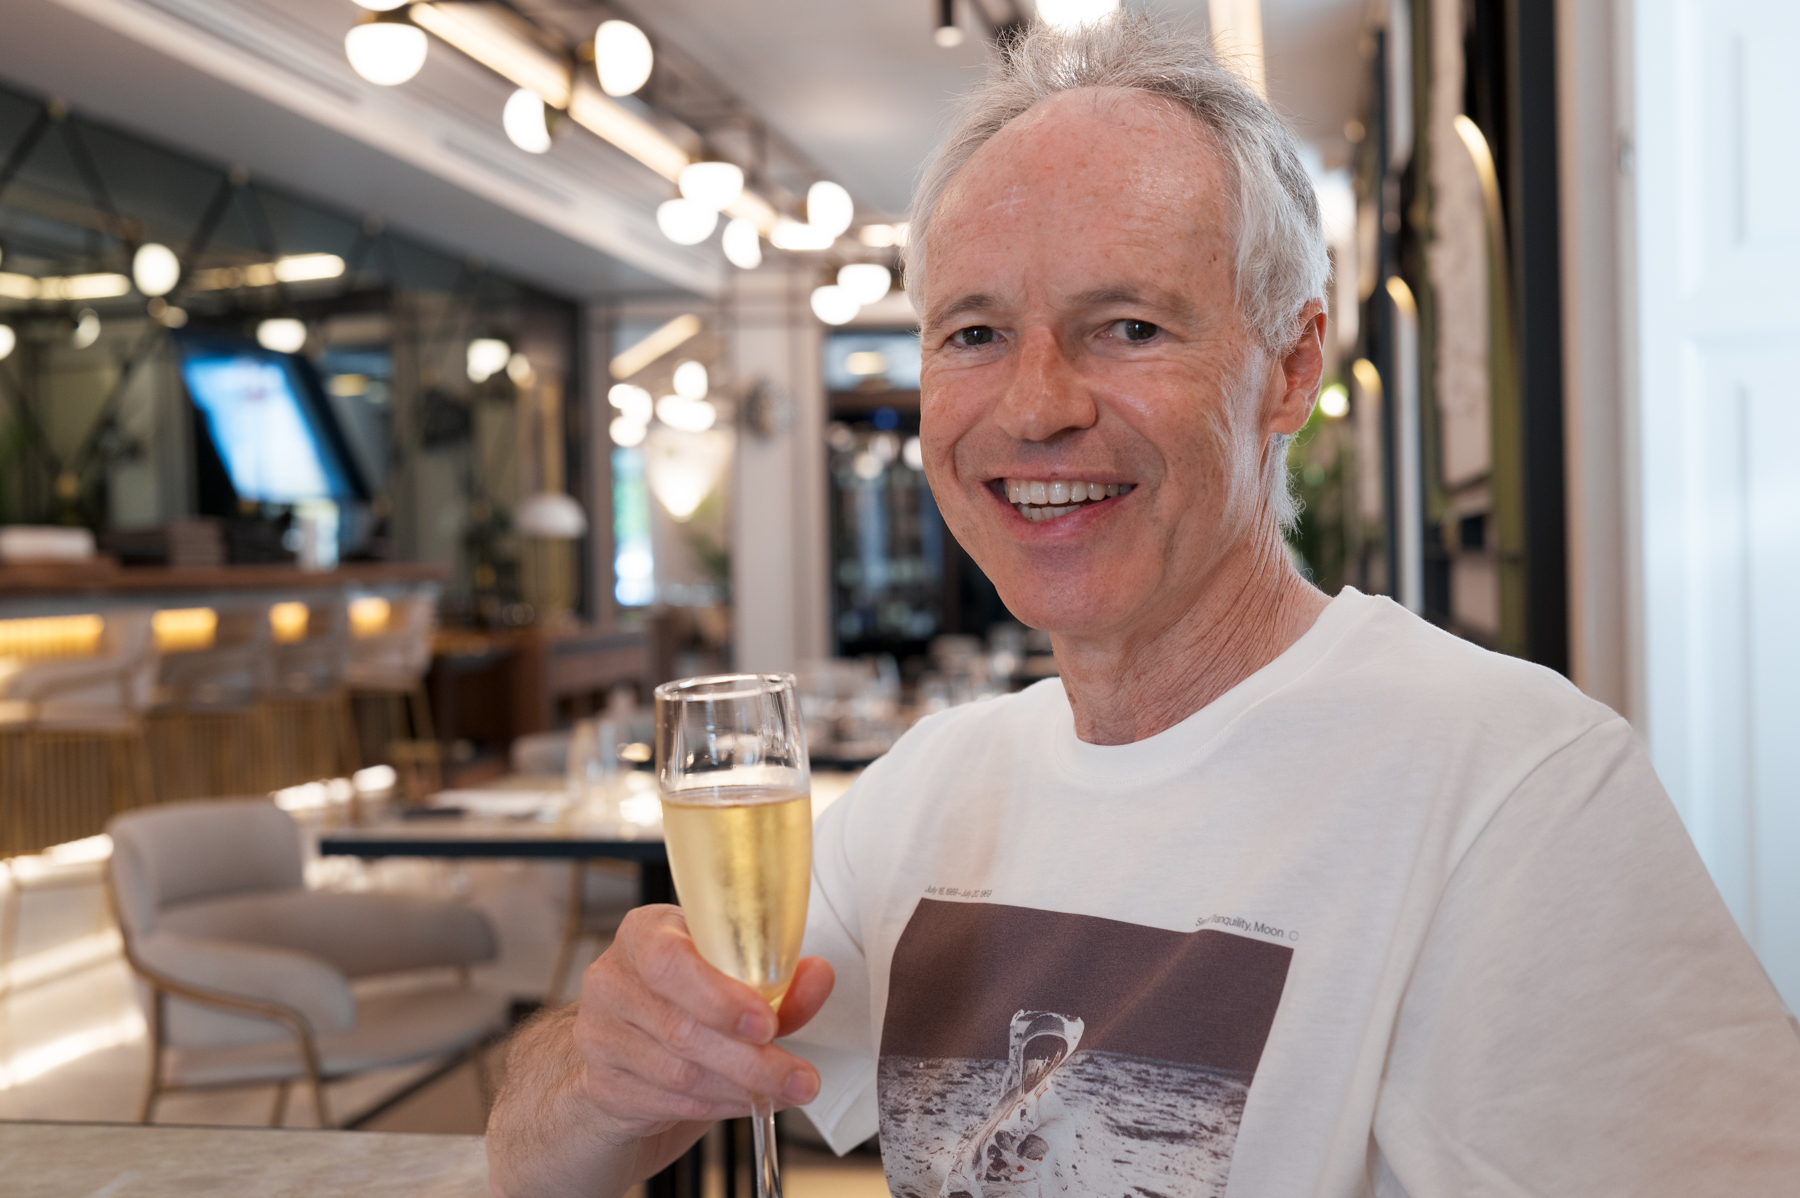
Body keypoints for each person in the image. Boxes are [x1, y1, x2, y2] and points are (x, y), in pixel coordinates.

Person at [488, 15, 1800, 1197]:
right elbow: (529, 1155)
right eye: (974, 332)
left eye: (1127, 327)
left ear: (1289, 365)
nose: (1037, 404)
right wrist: (605, 1061)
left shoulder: (1514, 783)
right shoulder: (938, 786)